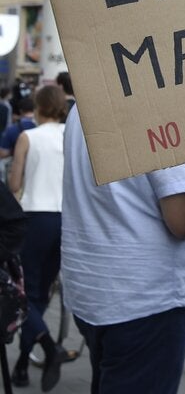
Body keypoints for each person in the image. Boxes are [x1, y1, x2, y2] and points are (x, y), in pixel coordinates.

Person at [61, 106, 185, 394]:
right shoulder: (161, 102)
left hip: (96, 289)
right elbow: (183, 218)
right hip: (147, 298)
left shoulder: (84, 102)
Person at [6, 86, 68, 390]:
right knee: (42, 293)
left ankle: (47, 347)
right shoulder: (72, 135)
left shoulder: (28, 136)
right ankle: (22, 363)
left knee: (23, 294)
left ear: (39, 107)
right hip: (64, 218)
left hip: (34, 218)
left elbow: (15, 182)